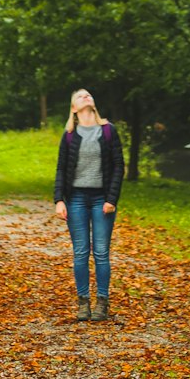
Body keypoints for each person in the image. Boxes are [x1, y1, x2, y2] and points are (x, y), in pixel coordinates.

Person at [53, 87, 125, 322]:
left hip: (101, 200)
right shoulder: (70, 135)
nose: (86, 96)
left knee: (101, 253)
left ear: (93, 104)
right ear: (74, 108)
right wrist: (59, 200)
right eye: (80, 96)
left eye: (89, 95)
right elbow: (61, 168)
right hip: (76, 200)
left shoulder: (107, 131)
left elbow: (118, 167)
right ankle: (83, 302)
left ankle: (102, 303)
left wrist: (111, 199)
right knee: (81, 253)